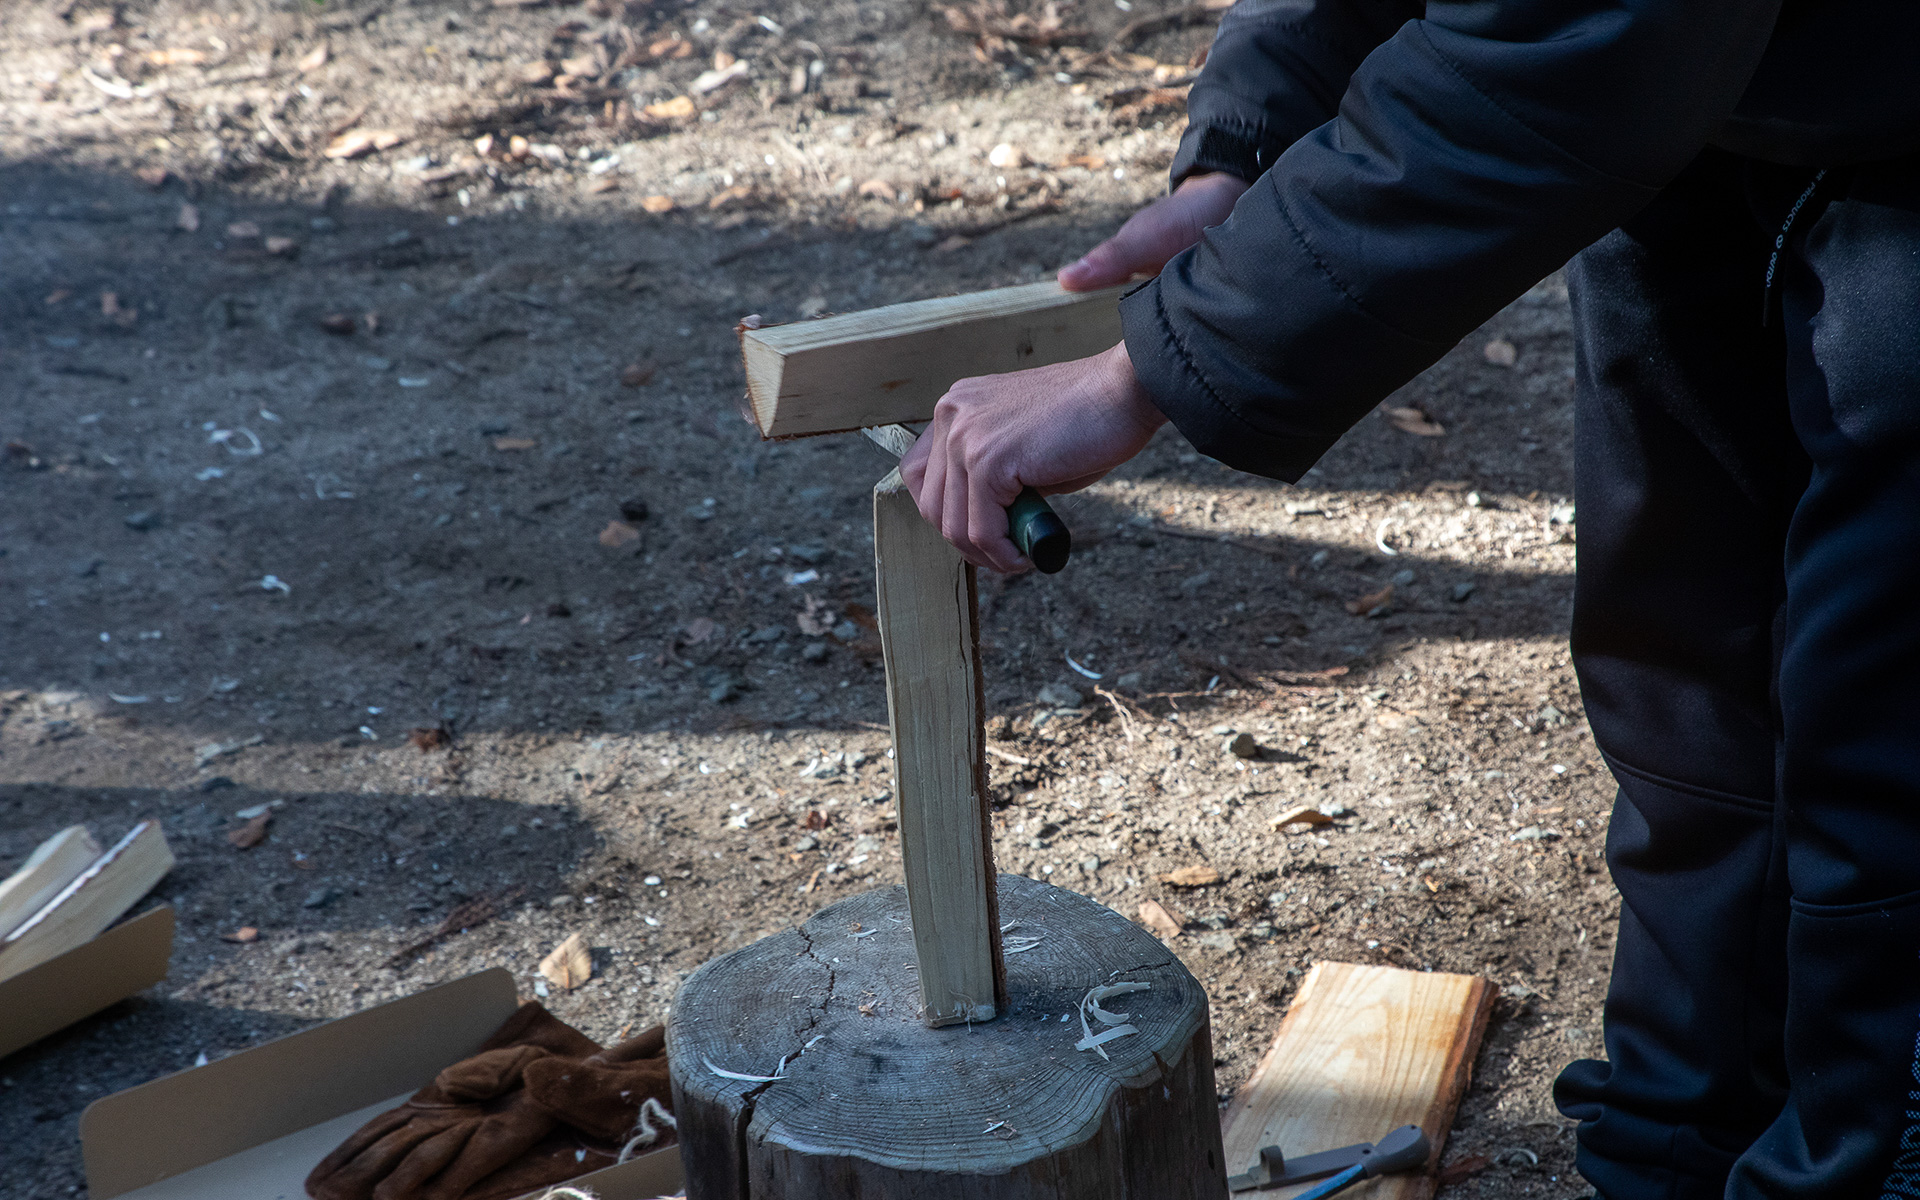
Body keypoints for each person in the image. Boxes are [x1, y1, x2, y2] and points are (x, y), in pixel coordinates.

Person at [897, 1, 1920, 1196]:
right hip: (1718, 108)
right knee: (1689, 681)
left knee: (1884, 740)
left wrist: (1151, 364)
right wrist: (1258, 142)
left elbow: (1583, 39)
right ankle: (1673, 1150)